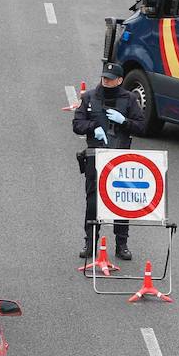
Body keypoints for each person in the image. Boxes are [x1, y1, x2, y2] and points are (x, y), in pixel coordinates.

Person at [72, 61, 146, 260]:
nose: (106, 81)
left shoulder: (129, 100)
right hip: (95, 157)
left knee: (121, 201)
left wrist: (125, 122)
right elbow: (77, 124)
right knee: (93, 202)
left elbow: (141, 127)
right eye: (104, 77)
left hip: (120, 158)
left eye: (110, 79)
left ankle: (121, 244)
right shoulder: (89, 97)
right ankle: (90, 243)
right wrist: (93, 126)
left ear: (120, 80)